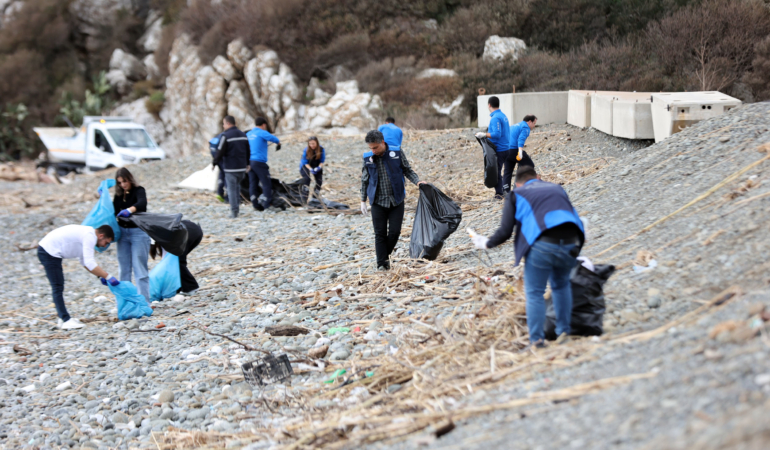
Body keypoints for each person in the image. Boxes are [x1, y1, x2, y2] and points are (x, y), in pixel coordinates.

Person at [469, 165, 584, 346]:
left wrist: (485, 243)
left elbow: (506, 231)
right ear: (538, 177)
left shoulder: (516, 194)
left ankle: (537, 341)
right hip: (571, 240)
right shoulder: (556, 188)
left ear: (518, 184)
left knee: (535, 293)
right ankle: (564, 333)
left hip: (542, 244)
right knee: (561, 286)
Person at [360, 130, 426, 270]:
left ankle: (383, 257)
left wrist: (418, 182)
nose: (373, 151)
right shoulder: (368, 158)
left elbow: (407, 170)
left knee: (395, 232)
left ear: (382, 143)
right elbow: (364, 180)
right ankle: (382, 264)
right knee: (380, 234)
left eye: (375, 147)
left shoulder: (396, 153)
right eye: (370, 148)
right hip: (377, 201)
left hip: (396, 200)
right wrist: (362, 200)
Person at [38, 224, 117, 329]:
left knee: (58, 286)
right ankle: (66, 320)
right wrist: (108, 277)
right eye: (106, 242)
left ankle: (63, 318)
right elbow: (90, 263)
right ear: (101, 236)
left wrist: (100, 276)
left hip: (49, 250)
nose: (104, 246)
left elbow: (84, 261)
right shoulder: (90, 236)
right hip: (49, 251)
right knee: (57, 286)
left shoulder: (88, 234)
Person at [113, 167, 151, 302]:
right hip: (122, 233)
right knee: (124, 269)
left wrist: (129, 210)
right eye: (120, 183)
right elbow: (112, 210)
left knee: (140, 268)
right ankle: (126, 302)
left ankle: (144, 301)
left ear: (130, 179)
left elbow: (142, 203)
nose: (123, 185)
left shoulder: (139, 190)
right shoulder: (118, 195)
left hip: (138, 232)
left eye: (125, 181)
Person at [150, 220, 203, 295]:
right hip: (194, 230)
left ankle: (191, 287)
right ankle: (183, 288)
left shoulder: (162, 240)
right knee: (176, 261)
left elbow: (168, 263)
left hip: (188, 232)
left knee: (178, 262)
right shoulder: (158, 237)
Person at [213, 115, 250, 218]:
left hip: (231, 168)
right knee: (237, 188)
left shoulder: (225, 136)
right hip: (242, 167)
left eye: (224, 124)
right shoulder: (243, 134)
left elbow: (220, 151)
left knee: (231, 190)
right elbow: (248, 150)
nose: (223, 126)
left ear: (228, 123)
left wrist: (214, 162)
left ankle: (234, 212)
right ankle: (237, 209)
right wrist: (248, 164)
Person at [476, 96, 510, 200]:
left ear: (489, 105)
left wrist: (484, 134)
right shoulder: (503, 115)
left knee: (497, 172)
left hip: (500, 149)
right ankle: (505, 190)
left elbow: (497, 134)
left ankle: (499, 194)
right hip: (507, 147)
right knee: (505, 171)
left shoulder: (495, 118)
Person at [246, 117, 281, 211]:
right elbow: (275, 139)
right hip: (259, 162)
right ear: (264, 125)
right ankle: (267, 205)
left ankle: (255, 204)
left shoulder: (249, 133)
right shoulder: (262, 132)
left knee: (253, 183)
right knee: (266, 183)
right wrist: (279, 144)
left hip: (249, 162)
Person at [503, 115, 537, 194]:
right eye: (534, 123)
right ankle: (523, 186)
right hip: (513, 150)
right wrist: (520, 152)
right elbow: (521, 139)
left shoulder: (515, 125)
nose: (534, 126)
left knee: (507, 171)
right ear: (529, 122)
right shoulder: (525, 127)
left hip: (505, 150)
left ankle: (505, 190)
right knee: (530, 165)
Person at [209, 133, 227, 203]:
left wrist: (215, 162)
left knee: (222, 172)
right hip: (220, 155)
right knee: (226, 173)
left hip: (213, 152)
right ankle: (227, 195)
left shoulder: (219, 135)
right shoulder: (226, 136)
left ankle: (219, 192)